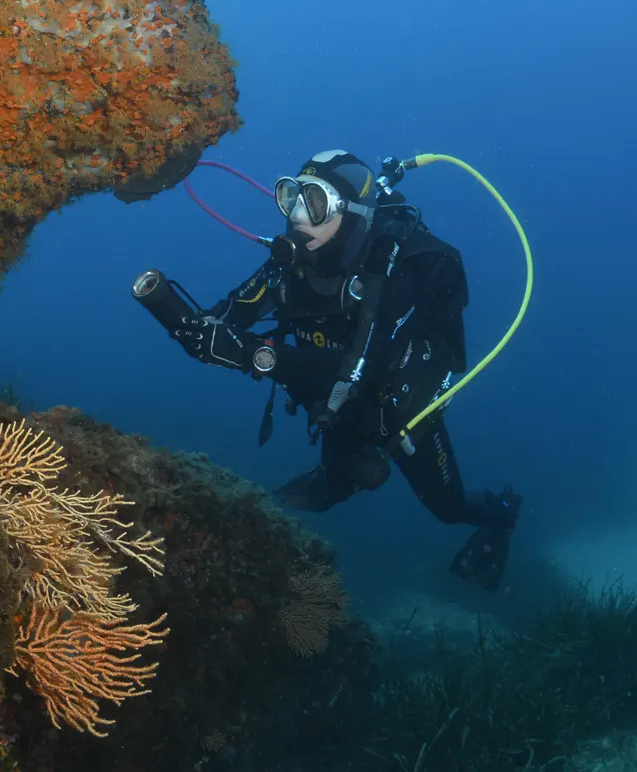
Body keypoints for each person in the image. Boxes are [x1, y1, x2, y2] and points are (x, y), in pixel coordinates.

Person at [159, 150, 521, 591]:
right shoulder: (293, 259)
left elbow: (365, 369)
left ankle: (502, 514)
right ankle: (337, 481)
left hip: (399, 414)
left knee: (448, 508)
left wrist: (250, 354)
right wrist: (187, 322)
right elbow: (231, 314)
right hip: (335, 406)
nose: (297, 215)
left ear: (351, 214)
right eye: (291, 196)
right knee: (334, 485)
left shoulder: (396, 270)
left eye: (314, 202)